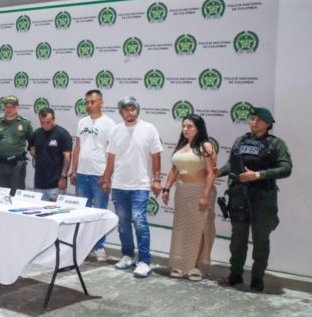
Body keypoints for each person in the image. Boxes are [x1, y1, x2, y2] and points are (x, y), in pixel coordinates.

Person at [218, 107, 292, 292]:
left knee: (260, 241)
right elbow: (232, 163)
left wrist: (258, 174)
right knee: (238, 240)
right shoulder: (241, 141)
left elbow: (286, 168)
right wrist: (218, 172)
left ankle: (257, 279)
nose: (253, 122)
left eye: (258, 119)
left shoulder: (276, 144)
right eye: (251, 118)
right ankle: (235, 275)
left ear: (268, 124)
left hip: (262, 199)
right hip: (239, 197)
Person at [99, 96, 163, 278]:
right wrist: (106, 178)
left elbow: (156, 154)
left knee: (139, 221)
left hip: (140, 184)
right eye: (126, 109)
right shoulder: (116, 130)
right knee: (123, 223)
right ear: (121, 112)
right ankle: (128, 255)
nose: (130, 112)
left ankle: (144, 261)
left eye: (133, 108)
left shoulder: (149, 128)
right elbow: (111, 156)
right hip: (119, 184)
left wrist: (157, 179)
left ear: (137, 109)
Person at [161, 114, 217, 281]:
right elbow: (174, 170)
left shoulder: (207, 146)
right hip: (182, 191)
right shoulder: (182, 145)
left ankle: (194, 266)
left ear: (199, 128)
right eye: (184, 126)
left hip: (200, 191)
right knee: (181, 228)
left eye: (190, 126)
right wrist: (166, 188)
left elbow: (211, 173)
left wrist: (205, 196)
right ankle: (181, 264)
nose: (185, 129)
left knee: (199, 229)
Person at [70, 89, 116, 261]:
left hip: (99, 175)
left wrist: (106, 176)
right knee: (82, 212)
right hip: (81, 174)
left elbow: (112, 152)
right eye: (87, 102)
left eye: (93, 102)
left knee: (99, 212)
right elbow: (77, 148)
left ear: (101, 102)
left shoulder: (109, 124)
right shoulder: (82, 122)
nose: (89, 105)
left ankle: (99, 246)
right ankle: (84, 247)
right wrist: (74, 170)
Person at [0, 95, 32, 195]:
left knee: (17, 195)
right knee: (0, 195)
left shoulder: (25, 123)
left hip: (17, 166)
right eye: (7, 107)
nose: (9, 109)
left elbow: (32, 144)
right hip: (0, 166)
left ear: (17, 107)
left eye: (12, 107)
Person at [28, 108, 73, 201]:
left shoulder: (62, 134)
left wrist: (63, 177)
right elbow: (31, 148)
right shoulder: (36, 133)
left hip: (56, 184)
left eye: (48, 122)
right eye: (42, 122)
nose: (45, 125)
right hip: (39, 183)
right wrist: (40, 157)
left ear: (54, 119)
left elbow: (67, 156)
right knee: (38, 212)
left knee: (55, 212)